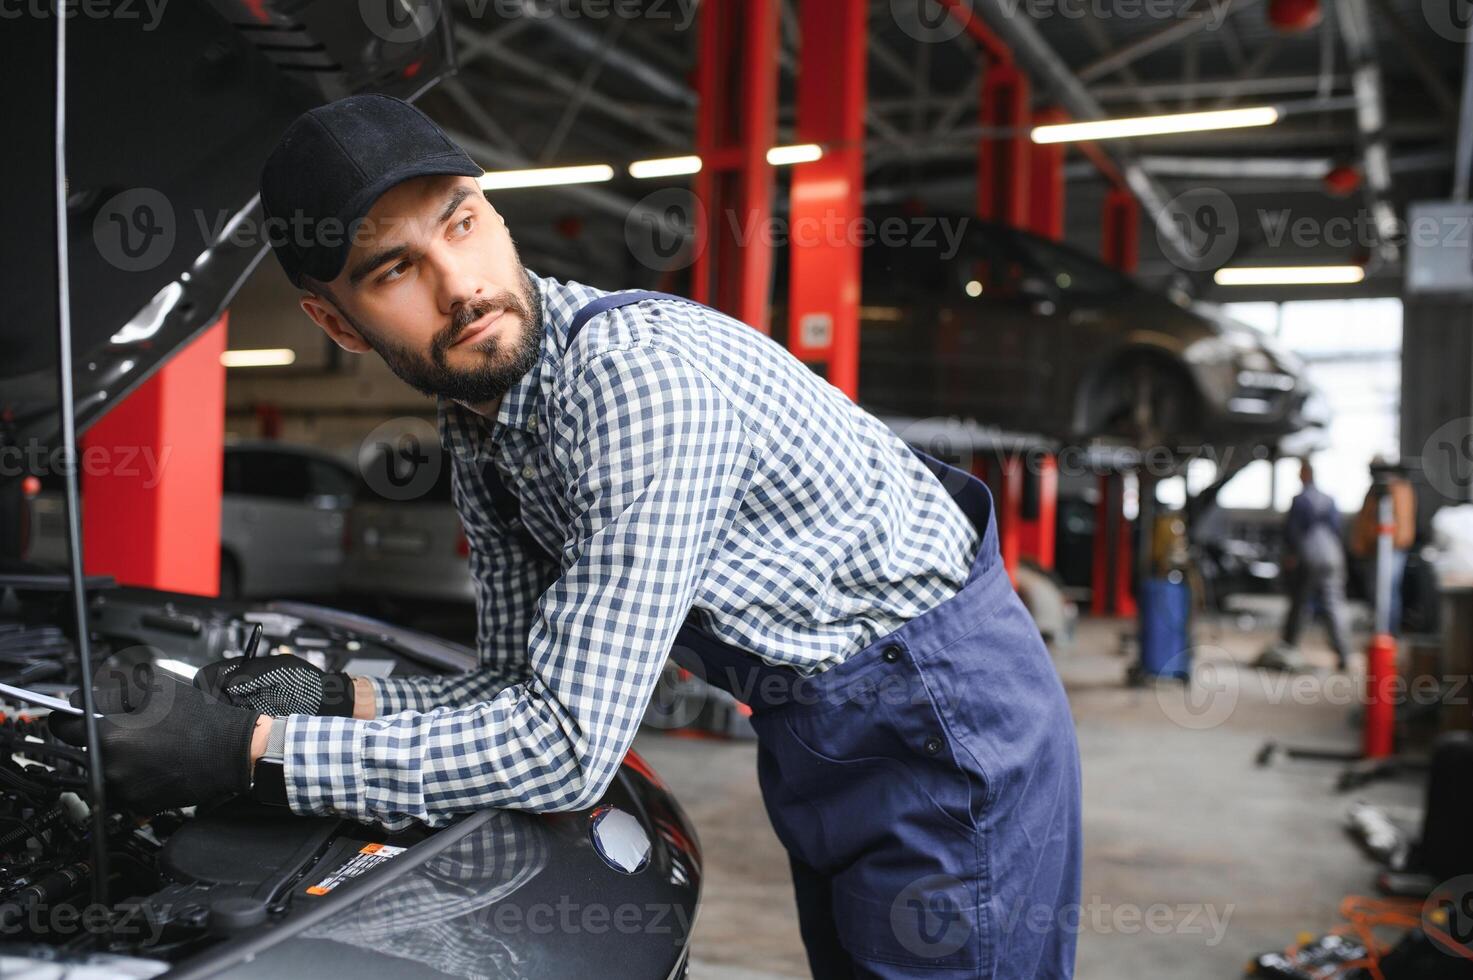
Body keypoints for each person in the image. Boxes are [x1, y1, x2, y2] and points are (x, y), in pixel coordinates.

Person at [53, 95, 1082, 978]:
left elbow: (562, 751)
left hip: (942, 724)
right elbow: (514, 684)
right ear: (337, 322)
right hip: (821, 728)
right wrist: (339, 696)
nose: (459, 286)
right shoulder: (484, 423)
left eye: (462, 225)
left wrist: (257, 750)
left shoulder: (633, 383)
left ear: (494, 212)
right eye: (395, 269)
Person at [1280, 460, 1353, 670]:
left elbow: (1292, 532)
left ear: (1305, 475)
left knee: (1300, 603)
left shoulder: (1300, 500)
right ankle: (1344, 654)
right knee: (1334, 604)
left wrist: (1291, 556)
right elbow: (1338, 529)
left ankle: (1288, 648)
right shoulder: (1329, 500)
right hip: (1332, 554)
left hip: (1309, 555)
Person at [1350, 457, 1417, 635]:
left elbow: (1399, 523)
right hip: (1376, 548)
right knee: (1378, 591)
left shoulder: (1398, 489)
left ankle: (1388, 633)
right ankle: (1381, 629)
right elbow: (1364, 521)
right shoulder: (1376, 490)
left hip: (1391, 548)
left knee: (1387, 591)